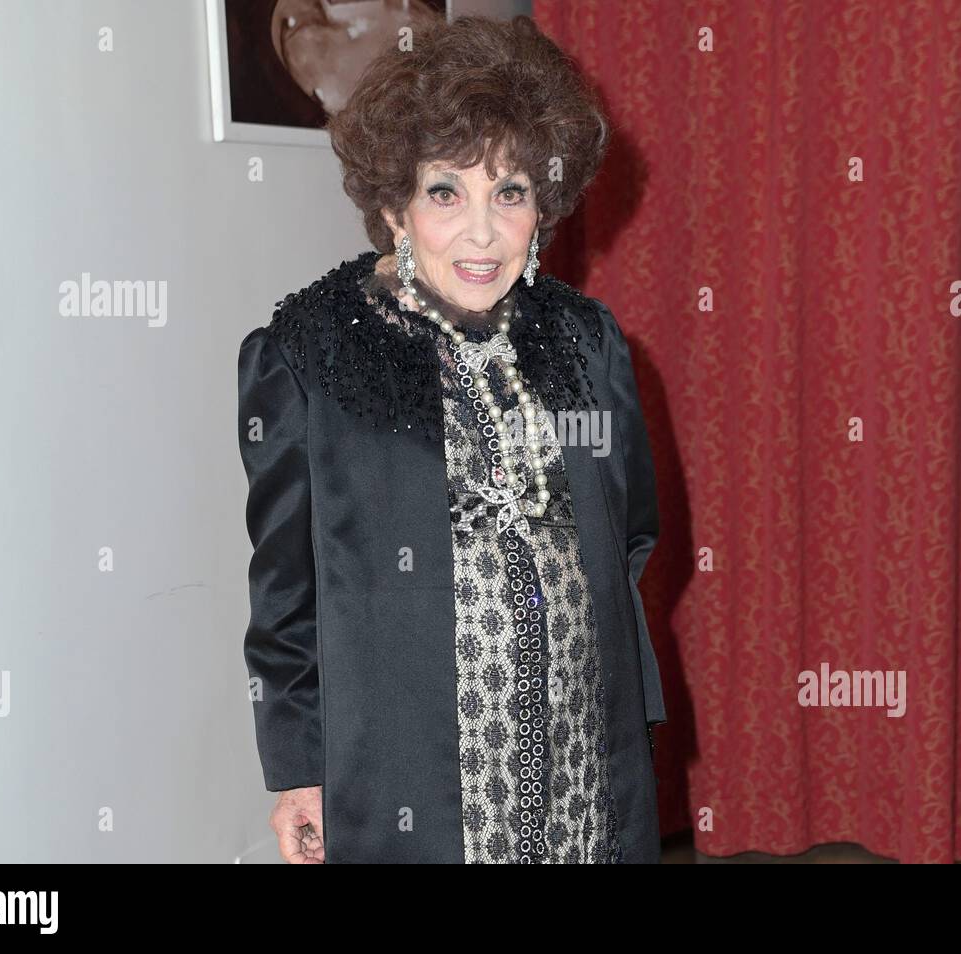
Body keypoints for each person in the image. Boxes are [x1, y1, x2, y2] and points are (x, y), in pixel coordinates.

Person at [237, 13, 665, 864]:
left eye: (509, 193)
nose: (482, 232)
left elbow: (629, 533)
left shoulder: (587, 342)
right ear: (396, 201)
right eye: (447, 192)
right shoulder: (307, 356)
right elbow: (285, 599)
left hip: (581, 760)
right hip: (409, 779)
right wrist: (299, 771)